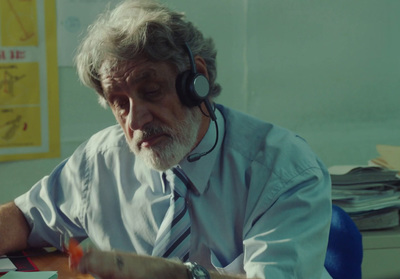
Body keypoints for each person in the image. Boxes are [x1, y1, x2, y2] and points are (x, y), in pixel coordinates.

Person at [0, 0, 333, 278]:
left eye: (151, 91)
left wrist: (174, 274)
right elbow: (23, 219)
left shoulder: (283, 170)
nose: (135, 118)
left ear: (196, 79)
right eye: (119, 102)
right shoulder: (100, 160)